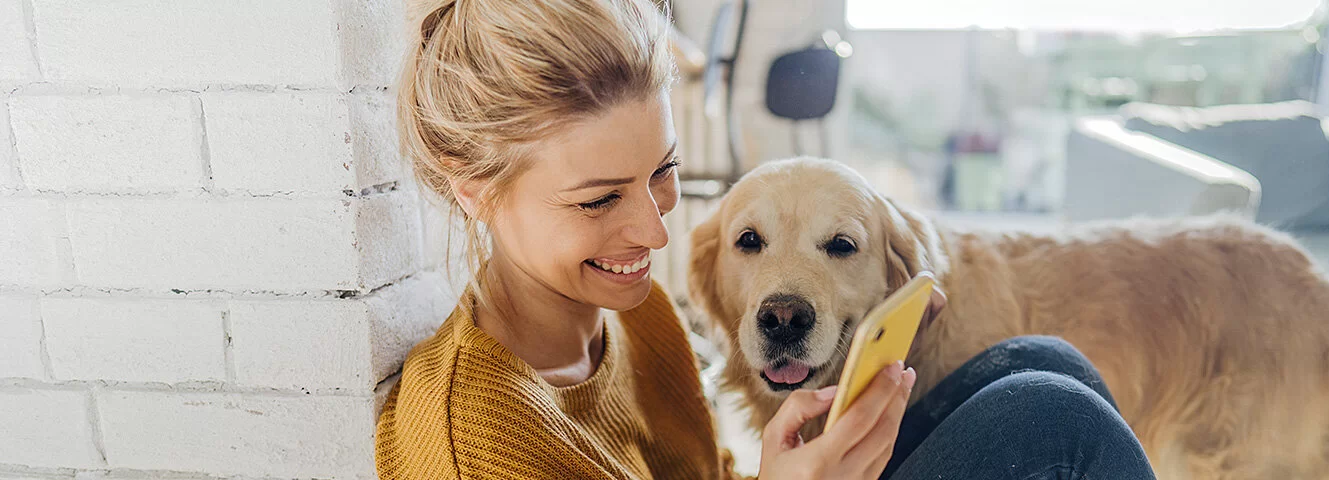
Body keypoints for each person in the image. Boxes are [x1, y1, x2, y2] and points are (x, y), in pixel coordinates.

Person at [375, 0, 1158, 479]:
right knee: (1051, 419)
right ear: (470, 186)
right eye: (600, 199)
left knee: (1039, 365)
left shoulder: (630, 315)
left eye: (663, 172)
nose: (654, 229)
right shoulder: (474, 443)